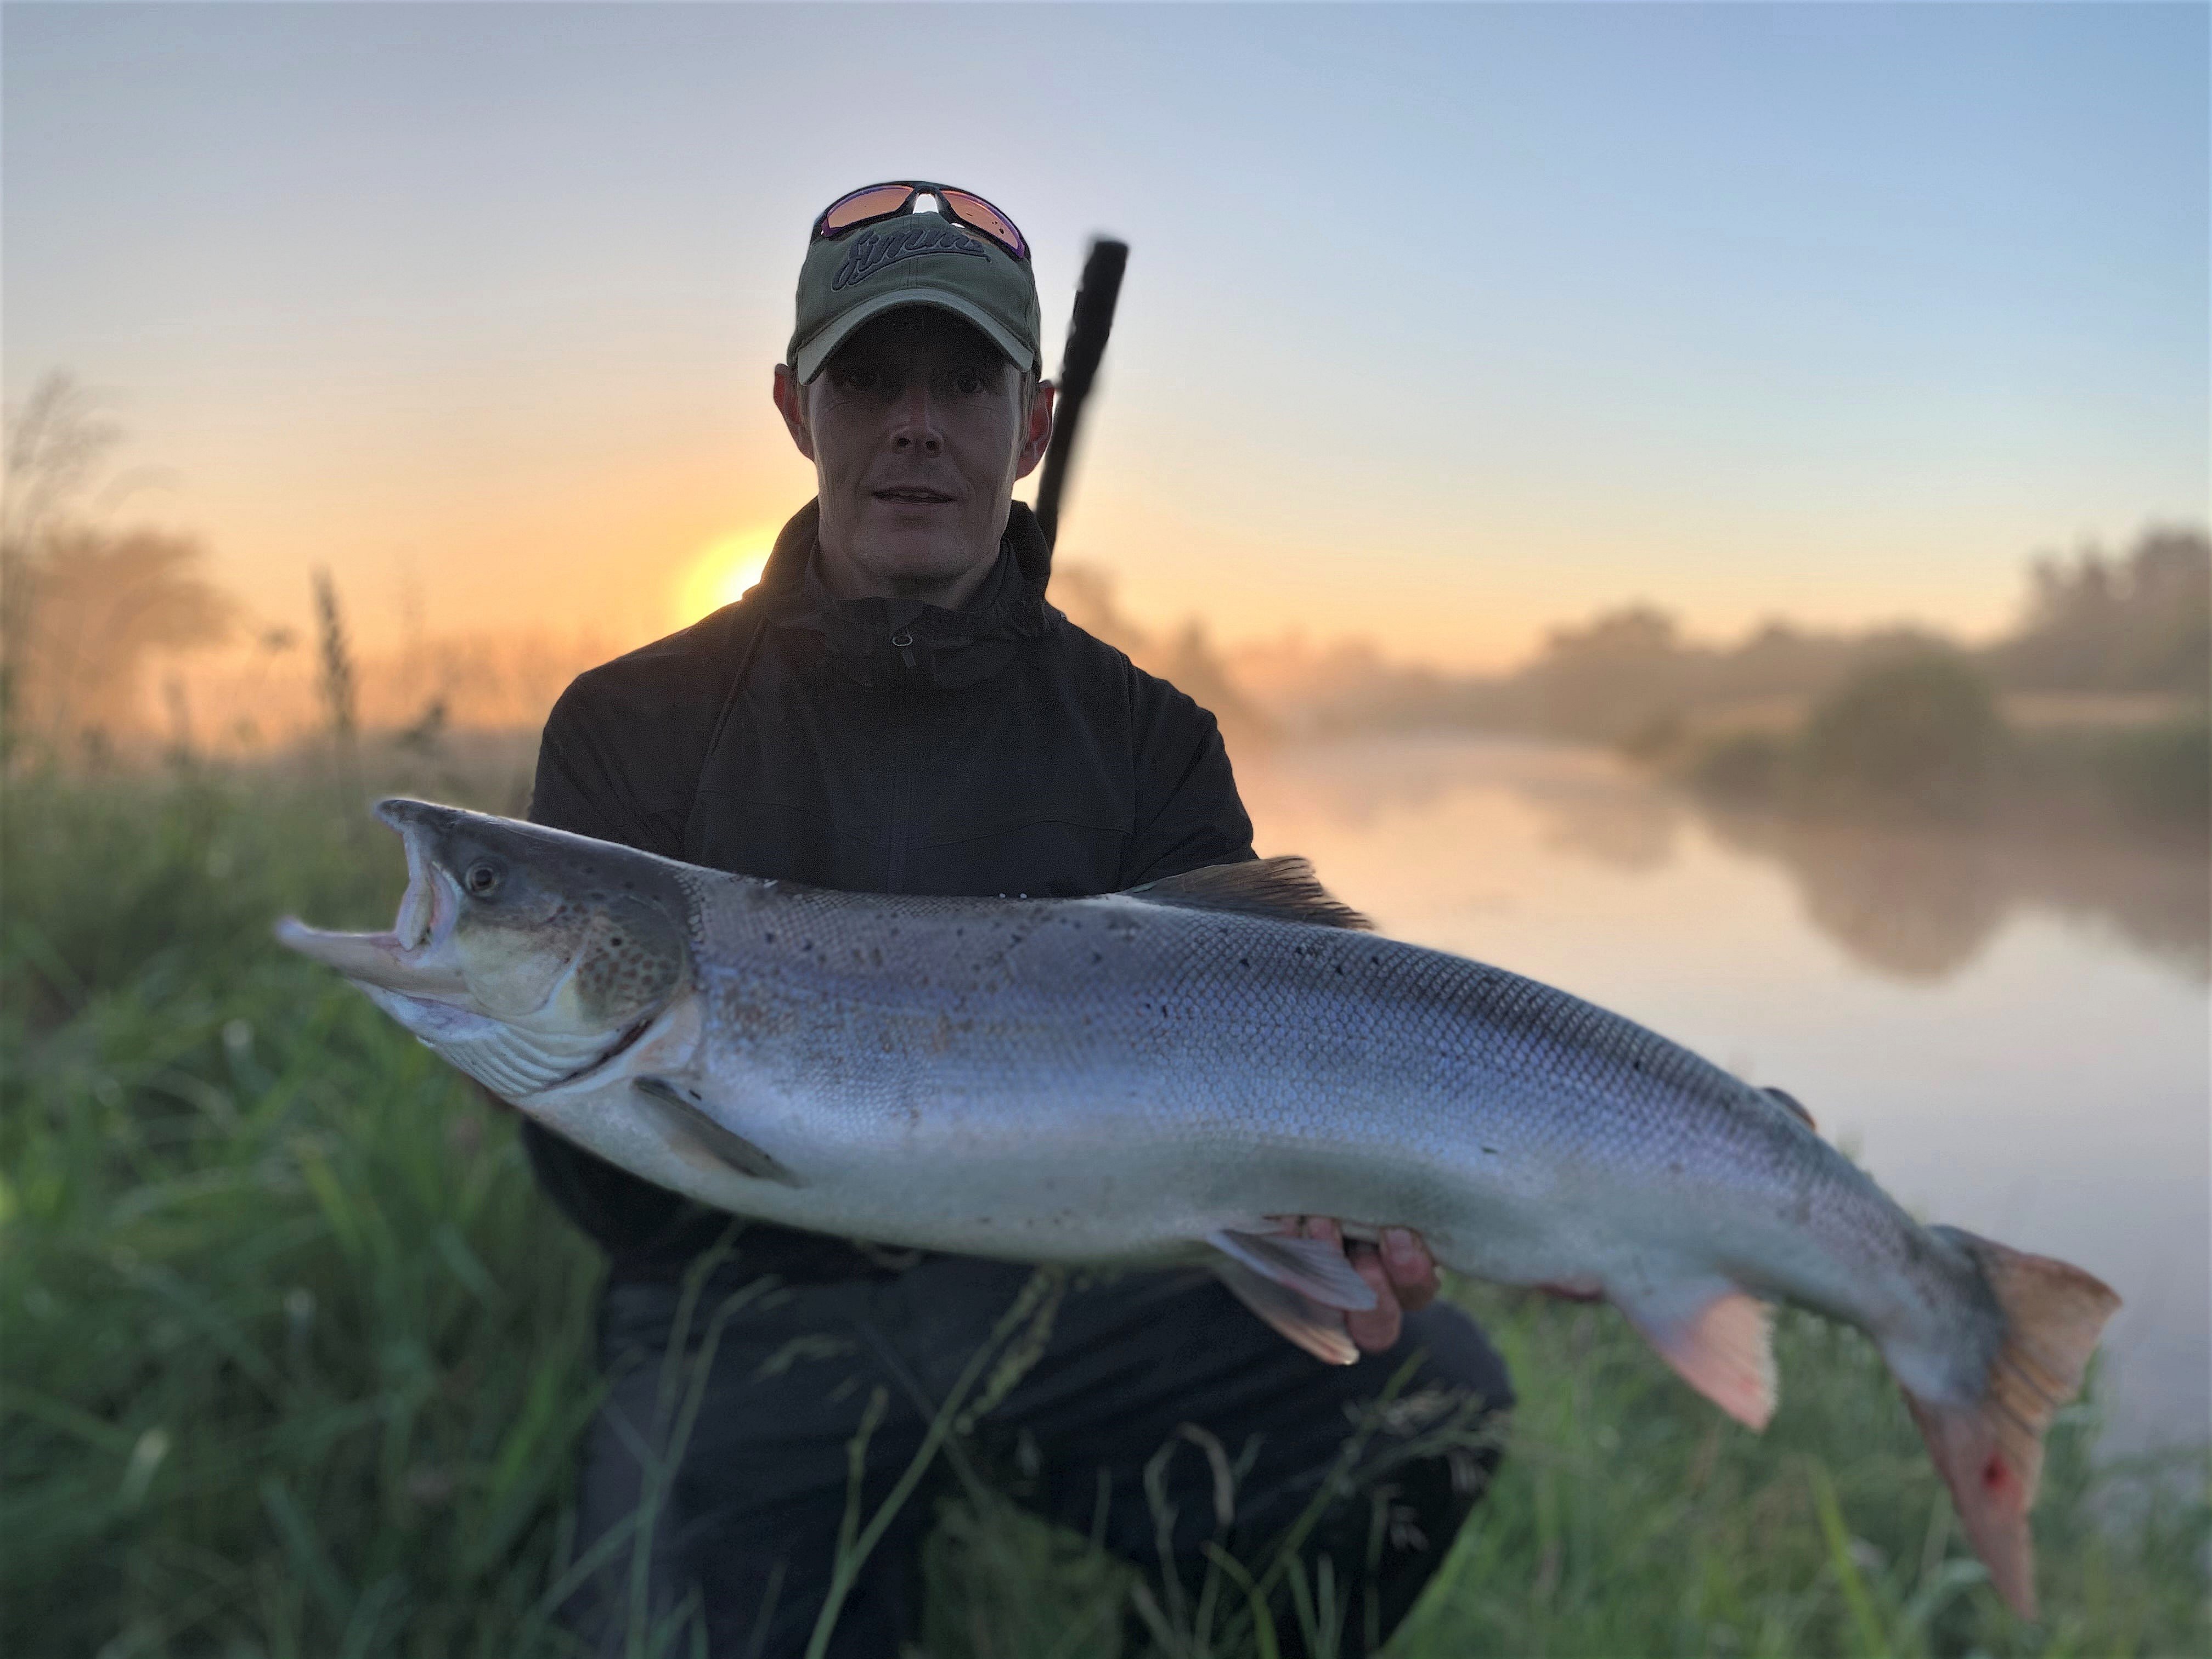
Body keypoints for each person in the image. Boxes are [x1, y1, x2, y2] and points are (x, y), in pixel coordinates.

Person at [525, 180, 1513, 1657]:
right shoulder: (627, 727)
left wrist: (1314, 1217)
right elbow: (598, 1174)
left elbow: (1258, 1078)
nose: (916, 422)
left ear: (1032, 424)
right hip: (743, 1311)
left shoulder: (1150, 738)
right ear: (798, 408)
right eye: (870, 376)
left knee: (1434, 1403)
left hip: (1072, 1296)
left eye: (964, 379)